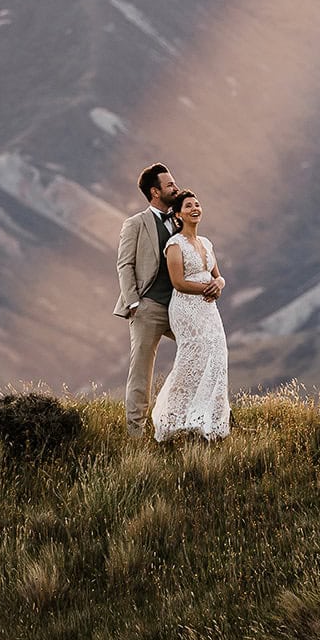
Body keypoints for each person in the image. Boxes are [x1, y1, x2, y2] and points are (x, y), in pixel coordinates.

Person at [114, 163, 221, 436]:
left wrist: (218, 281)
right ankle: (135, 434)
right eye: (170, 185)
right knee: (141, 371)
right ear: (155, 191)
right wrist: (134, 302)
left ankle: (196, 419)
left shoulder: (180, 221)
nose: (175, 187)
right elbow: (125, 265)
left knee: (207, 352)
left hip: (181, 308)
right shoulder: (136, 224)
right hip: (148, 307)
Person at [151, 189, 230, 442]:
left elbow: (218, 274)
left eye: (197, 204)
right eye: (188, 206)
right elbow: (179, 282)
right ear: (178, 215)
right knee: (192, 361)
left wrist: (219, 283)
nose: (195, 208)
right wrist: (207, 288)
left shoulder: (206, 243)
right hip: (185, 308)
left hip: (209, 308)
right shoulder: (175, 245)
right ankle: (172, 420)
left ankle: (209, 421)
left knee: (217, 356)